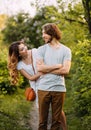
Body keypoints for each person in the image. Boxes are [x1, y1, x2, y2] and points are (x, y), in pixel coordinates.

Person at [36, 23, 72, 130]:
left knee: (56, 121)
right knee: (42, 121)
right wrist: (56, 66)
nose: (43, 36)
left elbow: (65, 70)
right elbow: (40, 68)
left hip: (59, 88)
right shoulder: (41, 49)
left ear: (52, 33)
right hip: (43, 88)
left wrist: (46, 69)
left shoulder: (66, 50)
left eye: (44, 33)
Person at [8, 40, 42, 107]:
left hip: (48, 81)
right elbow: (30, 78)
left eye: (24, 46)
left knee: (57, 110)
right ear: (19, 54)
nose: (25, 48)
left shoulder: (35, 52)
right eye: (22, 49)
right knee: (42, 110)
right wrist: (43, 72)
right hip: (37, 88)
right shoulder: (20, 65)